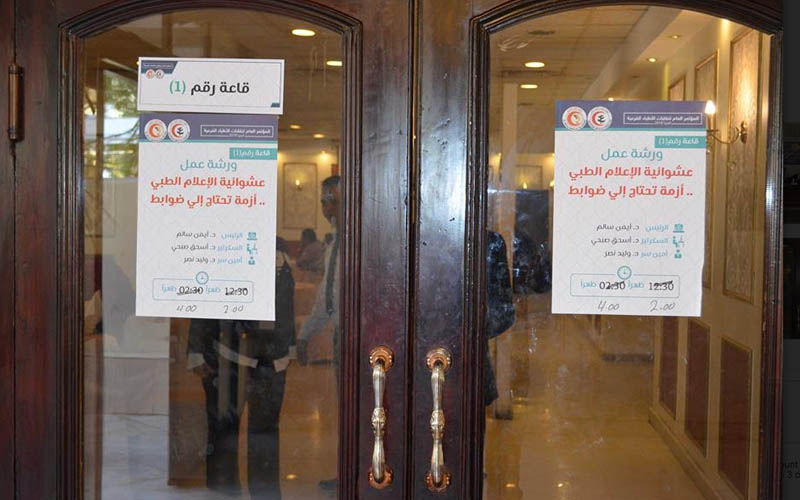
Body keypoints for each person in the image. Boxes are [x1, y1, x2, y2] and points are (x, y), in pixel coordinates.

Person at [187, 246, 296, 499]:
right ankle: (222, 493)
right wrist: (196, 350)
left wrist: (289, 347)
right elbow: (203, 296)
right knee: (223, 431)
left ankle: (264, 495)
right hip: (228, 356)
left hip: (272, 360)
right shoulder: (225, 247)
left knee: (265, 435)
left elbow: (286, 306)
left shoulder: (280, 257)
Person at [295, 175, 341, 492]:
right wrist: (305, 334)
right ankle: (350, 471)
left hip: (365, 337)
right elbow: (327, 296)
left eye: (333, 199)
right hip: (342, 334)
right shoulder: (334, 242)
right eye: (324, 200)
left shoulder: (361, 239)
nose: (327, 206)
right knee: (348, 407)